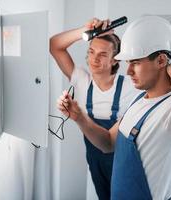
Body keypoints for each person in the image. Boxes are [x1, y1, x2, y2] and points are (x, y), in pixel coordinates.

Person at [57, 16, 171, 200]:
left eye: (135, 63)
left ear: (161, 60)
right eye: (128, 63)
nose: (128, 71)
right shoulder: (139, 100)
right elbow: (107, 143)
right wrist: (79, 117)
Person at [50, 18, 139, 199]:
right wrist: (85, 29)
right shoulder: (81, 80)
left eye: (103, 54)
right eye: (91, 52)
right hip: (95, 161)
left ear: (115, 60)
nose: (94, 59)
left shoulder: (131, 86)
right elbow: (54, 45)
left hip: (123, 163)